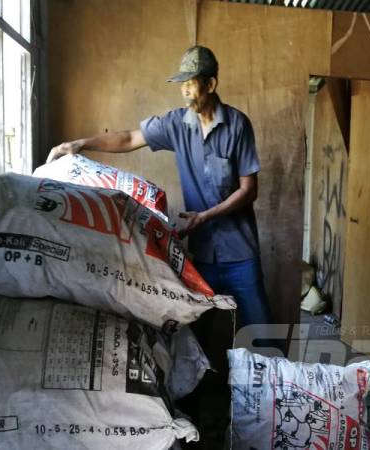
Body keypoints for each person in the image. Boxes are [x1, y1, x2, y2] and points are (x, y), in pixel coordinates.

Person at [47, 46, 272, 328]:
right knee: (198, 335)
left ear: (211, 84)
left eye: (191, 84)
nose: (185, 92)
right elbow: (129, 139)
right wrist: (80, 144)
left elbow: (249, 190)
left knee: (260, 330)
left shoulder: (238, 125)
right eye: (182, 85)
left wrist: (205, 217)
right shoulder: (176, 124)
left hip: (241, 253)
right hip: (202, 256)